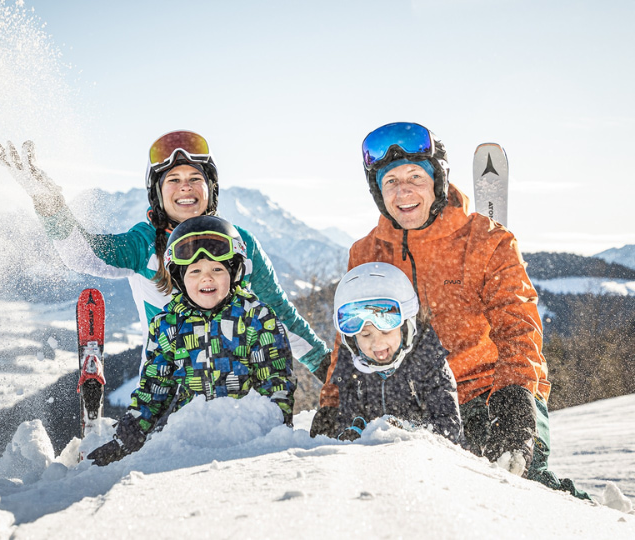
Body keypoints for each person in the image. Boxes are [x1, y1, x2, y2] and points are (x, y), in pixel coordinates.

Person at [319, 121, 589, 499]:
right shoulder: (367, 253)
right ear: (378, 192)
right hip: (414, 400)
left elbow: (518, 325)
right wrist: (333, 401)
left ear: (438, 179)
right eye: (391, 181)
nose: (405, 190)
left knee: (521, 488)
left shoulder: (488, 241)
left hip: (490, 389)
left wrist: (515, 397)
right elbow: (348, 333)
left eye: (416, 175)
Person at [0, 132, 331, 380]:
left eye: (196, 178)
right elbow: (82, 255)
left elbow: (283, 317)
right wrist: (49, 204)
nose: (185, 186)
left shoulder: (241, 244)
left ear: (210, 190)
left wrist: (330, 370)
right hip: (167, 397)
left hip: (240, 397)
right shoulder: (143, 244)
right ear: (157, 193)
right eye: (174, 179)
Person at [87, 216, 297, 465]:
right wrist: (127, 437)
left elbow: (276, 383)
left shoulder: (256, 318)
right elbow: (154, 388)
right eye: (195, 271)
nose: (206, 279)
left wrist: (270, 433)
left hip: (247, 436)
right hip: (190, 438)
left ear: (233, 272)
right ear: (179, 278)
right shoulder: (168, 325)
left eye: (217, 269)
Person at [310, 262, 461, 444]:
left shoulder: (428, 362)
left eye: (386, 332)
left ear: (406, 328)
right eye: (365, 335)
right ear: (352, 340)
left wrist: (404, 433)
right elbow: (348, 415)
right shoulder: (351, 368)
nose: (377, 343)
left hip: (423, 464)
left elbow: (449, 429)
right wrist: (344, 432)